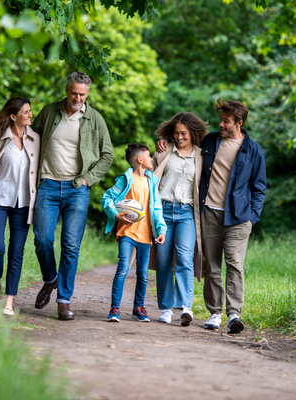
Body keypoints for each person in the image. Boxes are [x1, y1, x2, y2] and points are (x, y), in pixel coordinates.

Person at [157, 99, 266, 334]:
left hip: (239, 217)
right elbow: (183, 141)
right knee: (212, 266)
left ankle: (234, 314)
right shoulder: (210, 141)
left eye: (226, 121)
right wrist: (163, 143)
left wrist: (252, 217)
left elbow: (259, 187)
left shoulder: (253, 150)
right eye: (221, 119)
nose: (221, 124)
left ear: (240, 123)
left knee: (234, 264)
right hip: (209, 214)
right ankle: (215, 313)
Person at [31, 71, 114, 320]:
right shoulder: (49, 111)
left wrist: (88, 179)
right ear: (67, 90)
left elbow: (107, 155)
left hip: (77, 188)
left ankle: (64, 300)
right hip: (47, 185)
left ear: (87, 93)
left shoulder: (95, 119)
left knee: (70, 246)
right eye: (74, 93)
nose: (78, 98)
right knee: (42, 239)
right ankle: (50, 278)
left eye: (83, 94)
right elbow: (30, 137)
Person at [0, 97, 40, 316]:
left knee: (16, 252)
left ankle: (10, 300)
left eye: (30, 111)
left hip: (23, 204)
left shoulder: (35, 140)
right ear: (13, 116)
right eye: (26, 112)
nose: (30, 115)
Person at [151, 112, 207, 326]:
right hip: (163, 211)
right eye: (176, 133)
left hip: (186, 213)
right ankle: (166, 308)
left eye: (184, 133)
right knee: (164, 261)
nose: (180, 137)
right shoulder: (164, 152)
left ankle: (185, 307)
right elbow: (150, 177)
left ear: (192, 133)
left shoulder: (201, 155)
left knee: (185, 258)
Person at [101, 144, 166, 323]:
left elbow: (157, 208)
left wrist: (161, 230)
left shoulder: (151, 181)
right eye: (149, 156)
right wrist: (115, 214)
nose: (151, 159)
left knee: (143, 274)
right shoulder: (125, 180)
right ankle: (115, 308)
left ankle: (138, 307)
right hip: (126, 233)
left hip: (146, 236)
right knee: (122, 269)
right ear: (140, 160)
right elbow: (107, 198)